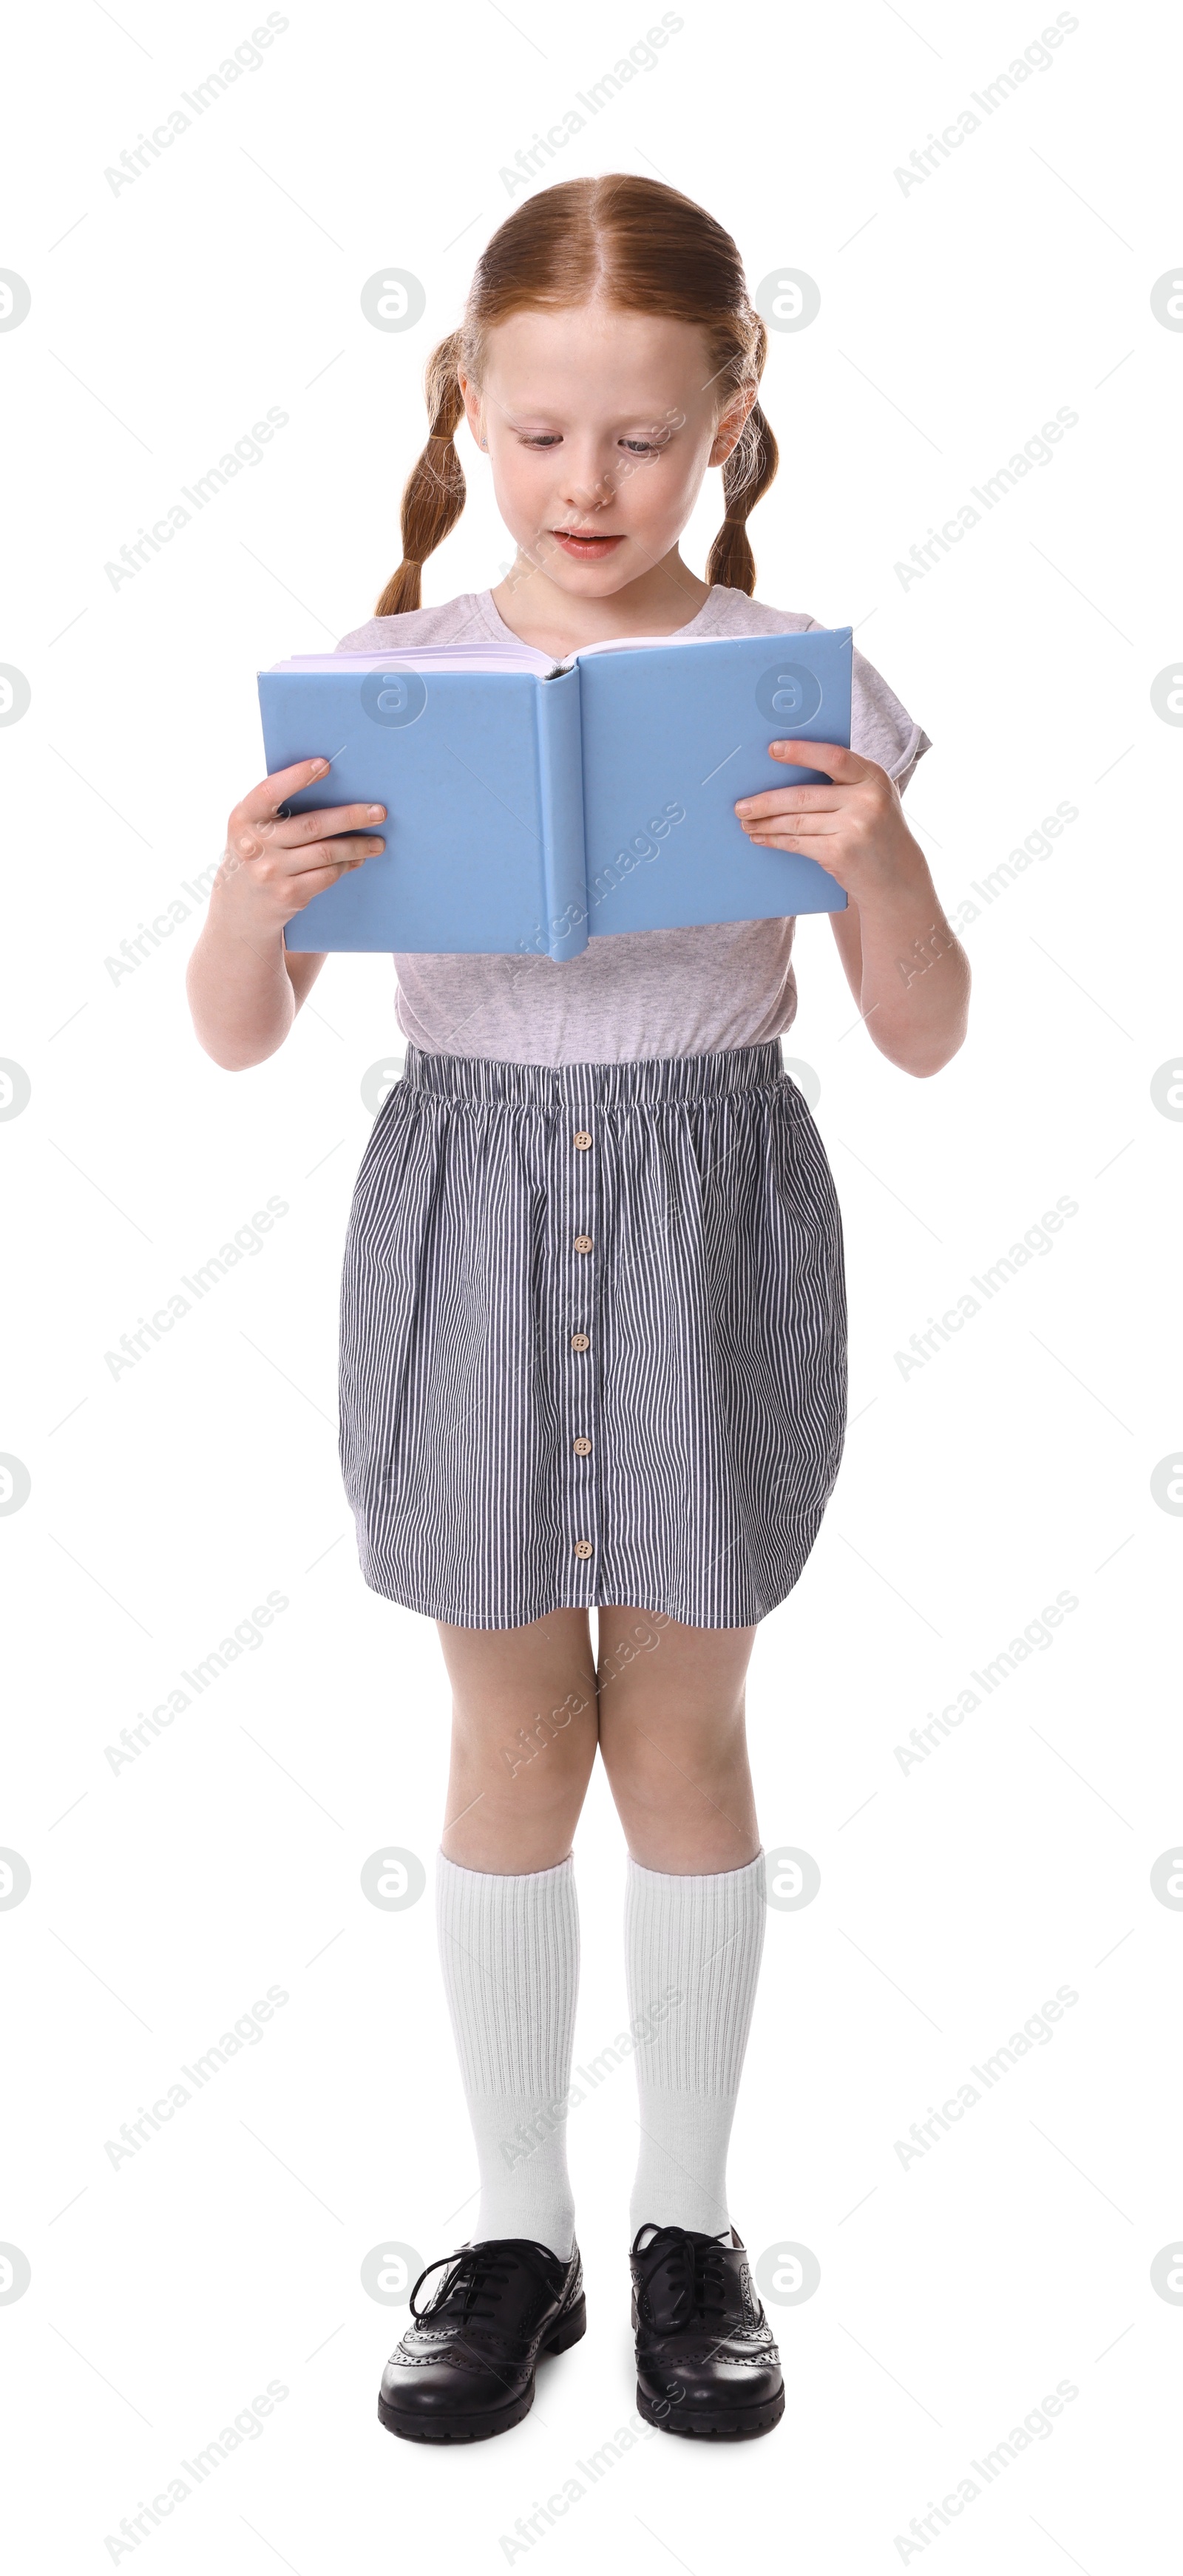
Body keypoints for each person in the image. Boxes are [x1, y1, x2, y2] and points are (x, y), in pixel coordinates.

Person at [186, 173, 969, 2447]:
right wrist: (250, 902)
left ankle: (689, 2233)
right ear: (470, 408)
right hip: (467, 1208)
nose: (587, 487)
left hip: (715, 1201)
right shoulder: (387, 681)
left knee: (689, 1738)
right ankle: (511, 2230)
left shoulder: (804, 681)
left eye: (639, 439)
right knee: (514, 1732)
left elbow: (922, 1031)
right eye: (539, 438)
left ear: (731, 415)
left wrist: (883, 862)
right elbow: (241, 1033)